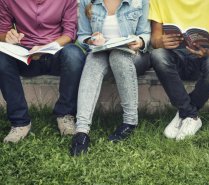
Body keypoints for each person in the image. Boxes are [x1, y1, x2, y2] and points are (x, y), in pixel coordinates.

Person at [70, 0, 150, 156]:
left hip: (133, 56)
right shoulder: (88, 1)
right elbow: (82, 36)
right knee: (93, 60)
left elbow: (145, 33)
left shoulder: (140, 2)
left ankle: (130, 122)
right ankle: (81, 131)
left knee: (118, 56)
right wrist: (91, 40)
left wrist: (140, 41)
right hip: (102, 51)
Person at [149, 0, 209, 141]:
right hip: (175, 57)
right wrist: (160, 42)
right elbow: (155, 39)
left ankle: (183, 113)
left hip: (205, 56)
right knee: (157, 55)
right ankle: (191, 115)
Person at [0, 0, 86, 143]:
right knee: (1, 58)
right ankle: (20, 122)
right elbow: (2, 32)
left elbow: (70, 34)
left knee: (74, 54)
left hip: (55, 52)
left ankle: (65, 115)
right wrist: (8, 37)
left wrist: (45, 47)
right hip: (25, 55)